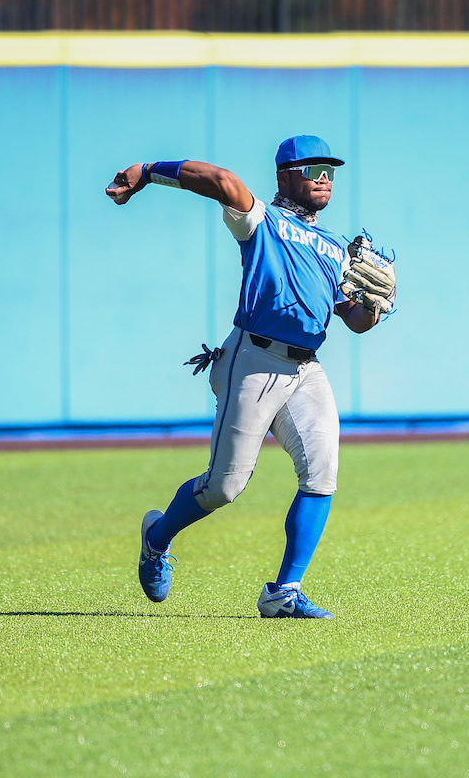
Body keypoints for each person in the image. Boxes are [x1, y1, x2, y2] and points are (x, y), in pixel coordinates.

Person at [106, 135, 393, 619]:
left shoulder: (334, 248)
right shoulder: (261, 219)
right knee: (224, 488)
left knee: (322, 475)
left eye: (330, 170)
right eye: (312, 169)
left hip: (307, 368)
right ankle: (156, 539)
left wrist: (377, 306)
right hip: (253, 359)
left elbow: (355, 321)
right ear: (285, 176)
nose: (323, 178)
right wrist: (147, 169)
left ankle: (284, 590)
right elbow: (220, 180)